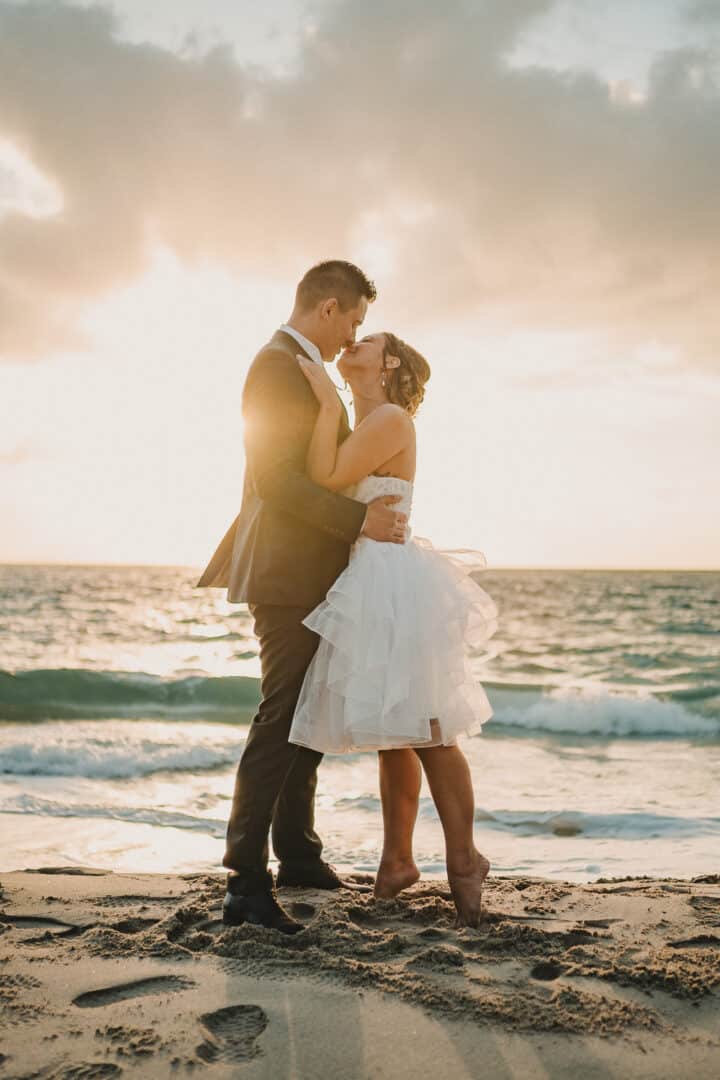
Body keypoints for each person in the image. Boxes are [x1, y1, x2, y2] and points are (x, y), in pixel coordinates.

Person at [196, 262, 408, 934]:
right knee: (282, 715)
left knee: (306, 719)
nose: (353, 334)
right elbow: (276, 480)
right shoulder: (276, 366)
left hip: (312, 570)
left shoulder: (304, 368)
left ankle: (297, 853)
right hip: (286, 572)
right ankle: (243, 884)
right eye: (353, 320)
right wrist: (359, 523)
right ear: (328, 307)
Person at [287, 332, 499, 927]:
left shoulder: (388, 419)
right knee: (395, 728)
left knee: (429, 728)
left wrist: (328, 404)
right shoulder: (370, 421)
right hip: (369, 577)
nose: (352, 343)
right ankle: (397, 861)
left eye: (368, 341)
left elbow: (324, 478)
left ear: (391, 362)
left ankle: (464, 859)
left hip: (393, 585)